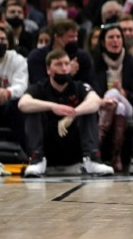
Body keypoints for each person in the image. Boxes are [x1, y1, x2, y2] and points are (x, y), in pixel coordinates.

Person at [18, 49, 114, 177]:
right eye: (58, 64)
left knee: (89, 108)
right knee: (32, 108)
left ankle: (92, 159)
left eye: (67, 64)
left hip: (74, 145)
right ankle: (37, 159)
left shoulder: (79, 86)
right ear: (48, 70)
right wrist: (53, 107)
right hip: (49, 146)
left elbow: (95, 101)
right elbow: (22, 103)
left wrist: (73, 114)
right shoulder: (39, 88)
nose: (64, 68)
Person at [92, 23, 133, 171]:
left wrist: (122, 92)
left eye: (118, 37)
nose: (115, 41)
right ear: (103, 41)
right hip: (103, 107)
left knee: (114, 95)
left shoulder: (130, 62)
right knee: (117, 106)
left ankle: (95, 147)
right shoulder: (96, 62)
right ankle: (116, 156)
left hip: (130, 107)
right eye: (111, 37)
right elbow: (93, 91)